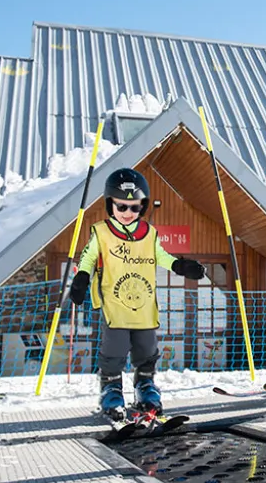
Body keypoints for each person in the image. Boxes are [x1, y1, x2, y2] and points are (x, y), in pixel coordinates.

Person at [68, 168, 206, 420]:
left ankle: (145, 387)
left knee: (146, 348)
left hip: (144, 305)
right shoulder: (102, 232)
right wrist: (81, 278)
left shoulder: (149, 233)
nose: (128, 213)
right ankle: (111, 390)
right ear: (110, 205)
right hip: (115, 305)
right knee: (115, 349)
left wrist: (179, 265)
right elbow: (88, 258)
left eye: (135, 208)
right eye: (122, 207)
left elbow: (160, 255)